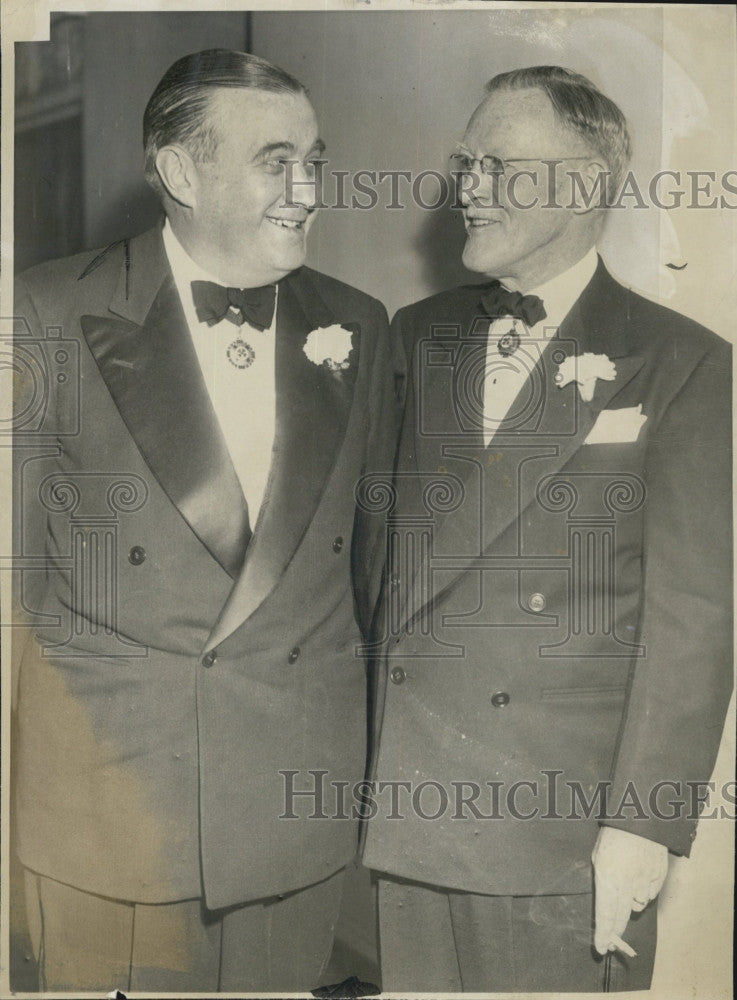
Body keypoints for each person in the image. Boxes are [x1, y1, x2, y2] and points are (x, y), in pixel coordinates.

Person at [12, 48, 400, 993]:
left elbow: (378, 582)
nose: (308, 190)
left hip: (292, 818)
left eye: (316, 159)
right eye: (277, 161)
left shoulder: (360, 321)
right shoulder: (45, 311)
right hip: (111, 823)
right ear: (180, 171)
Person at [362, 65, 732, 992]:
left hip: (558, 841)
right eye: (464, 161)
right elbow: (367, 567)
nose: (466, 186)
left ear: (580, 184)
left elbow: (694, 622)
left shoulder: (684, 364)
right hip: (403, 812)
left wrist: (644, 825)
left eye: (497, 163)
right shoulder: (415, 335)